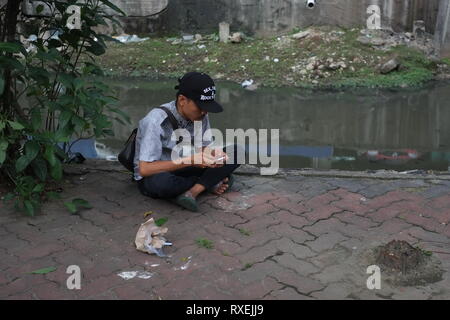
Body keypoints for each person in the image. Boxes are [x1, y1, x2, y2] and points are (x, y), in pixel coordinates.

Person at [133, 72, 241, 212]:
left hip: (183, 165)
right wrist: (192, 161)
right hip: (155, 174)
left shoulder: (200, 115)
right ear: (182, 100)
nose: (204, 112)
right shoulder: (155, 121)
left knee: (236, 152)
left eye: (207, 108)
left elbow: (203, 149)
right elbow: (145, 169)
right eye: (200, 107)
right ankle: (210, 182)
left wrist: (215, 155)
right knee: (163, 184)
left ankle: (194, 191)